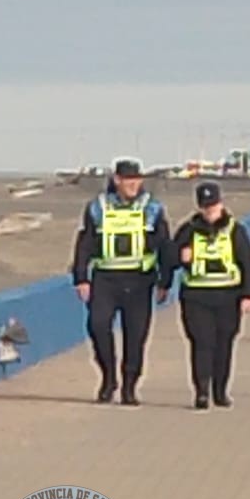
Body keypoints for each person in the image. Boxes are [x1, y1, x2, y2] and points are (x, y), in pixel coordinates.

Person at [71, 158, 172, 405]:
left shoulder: (153, 208)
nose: (133, 184)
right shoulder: (98, 207)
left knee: (136, 336)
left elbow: (165, 246)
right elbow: (85, 243)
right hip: (105, 279)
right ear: (117, 180)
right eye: (128, 180)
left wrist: (165, 281)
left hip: (140, 280)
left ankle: (129, 386)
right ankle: (108, 377)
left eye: (137, 179)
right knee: (97, 326)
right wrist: (81, 277)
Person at [172, 180, 250, 410]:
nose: (210, 210)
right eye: (205, 206)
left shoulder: (236, 231)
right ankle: (201, 392)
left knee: (224, 344)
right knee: (201, 343)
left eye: (213, 205)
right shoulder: (187, 230)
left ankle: (220, 391)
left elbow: (247, 263)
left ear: (221, 203)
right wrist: (181, 257)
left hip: (228, 296)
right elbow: (168, 259)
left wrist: (249, 295)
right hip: (196, 297)